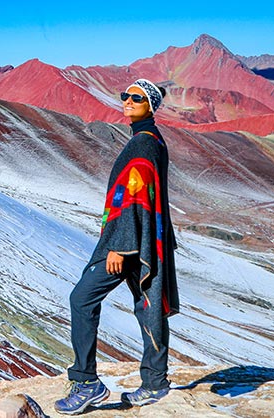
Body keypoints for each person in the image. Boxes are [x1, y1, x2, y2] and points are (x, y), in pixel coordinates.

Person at [54, 79, 179, 414]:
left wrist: (121, 246)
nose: (127, 101)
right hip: (145, 238)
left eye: (136, 98)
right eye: (125, 95)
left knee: (82, 298)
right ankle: (155, 383)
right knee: (147, 304)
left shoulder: (144, 143)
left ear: (150, 105)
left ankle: (86, 383)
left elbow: (137, 196)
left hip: (128, 242)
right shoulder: (147, 139)